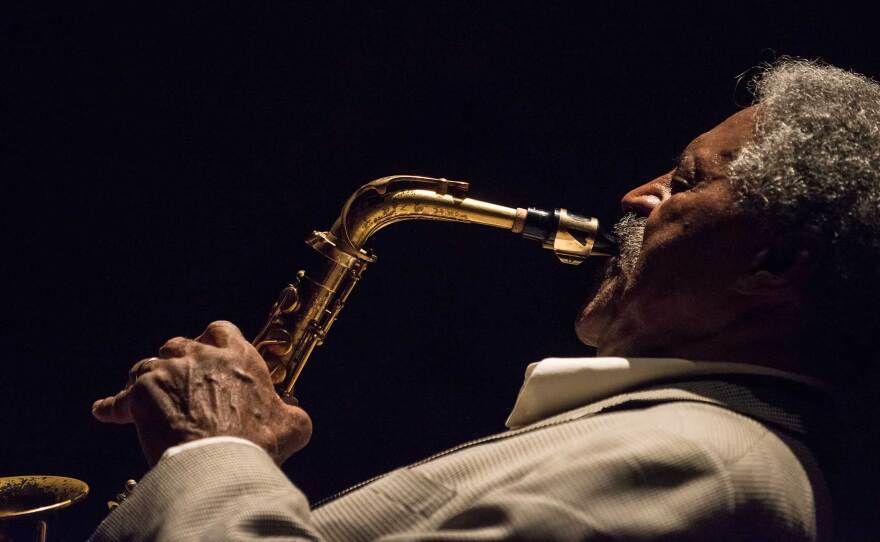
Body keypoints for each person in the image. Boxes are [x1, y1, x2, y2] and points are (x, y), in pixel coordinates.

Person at [89, 59, 880, 541]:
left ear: (775, 261)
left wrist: (214, 453)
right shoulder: (689, 449)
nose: (636, 197)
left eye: (685, 182)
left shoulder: (694, 466)